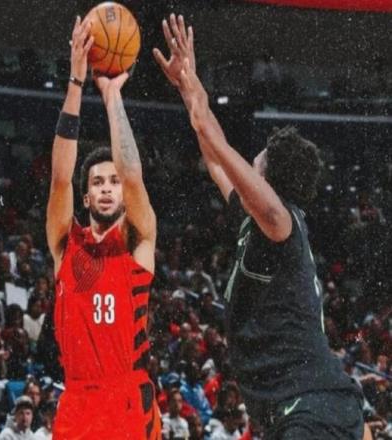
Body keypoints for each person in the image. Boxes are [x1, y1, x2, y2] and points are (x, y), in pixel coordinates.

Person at [153, 13, 364, 440]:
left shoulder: (281, 221)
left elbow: (218, 144)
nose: (253, 158)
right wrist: (188, 88)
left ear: (270, 175)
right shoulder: (259, 222)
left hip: (310, 407)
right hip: (307, 407)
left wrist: (196, 94)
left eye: (262, 155)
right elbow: (215, 158)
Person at [46, 16, 160, 440]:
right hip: (76, 401)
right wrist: (76, 82)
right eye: (97, 183)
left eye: (112, 182)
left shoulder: (136, 243)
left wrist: (113, 99)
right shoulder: (65, 244)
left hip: (126, 397)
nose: (108, 188)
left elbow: (133, 176)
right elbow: (61, 177)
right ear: (87, 198)